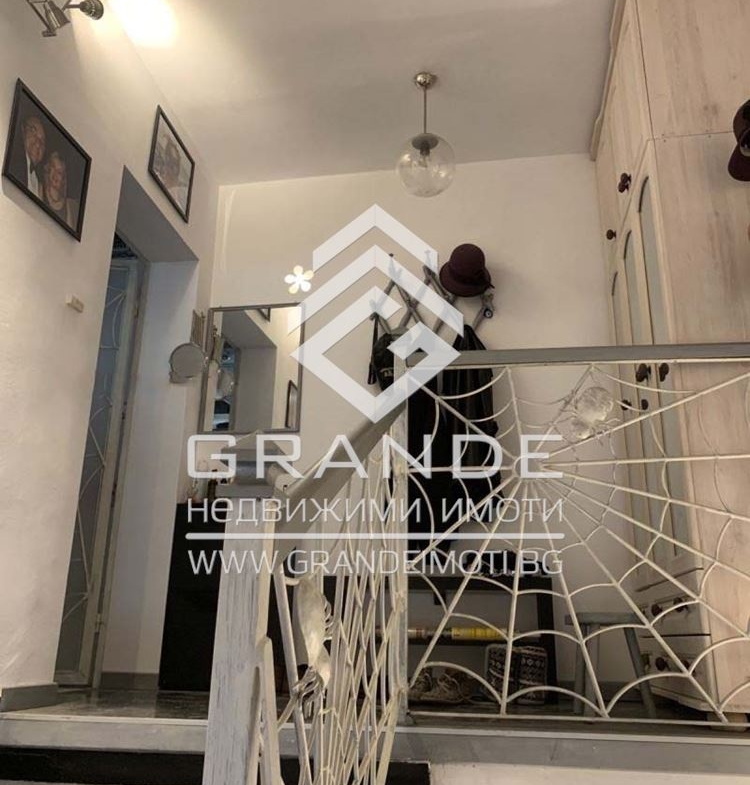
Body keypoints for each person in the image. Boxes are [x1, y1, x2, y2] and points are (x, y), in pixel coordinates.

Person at [8, 114, 46, 198]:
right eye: (33, 131)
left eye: (42, 141)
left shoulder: (39, 183)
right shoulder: (14, 160)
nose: (38, 144)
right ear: (22, 130)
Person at [42, 151, 79, 229]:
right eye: (53, 168)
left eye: (59, 172)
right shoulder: (37, 190)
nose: (55, 174)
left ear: (64, 179)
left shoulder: (73, 207)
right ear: (48, 169)